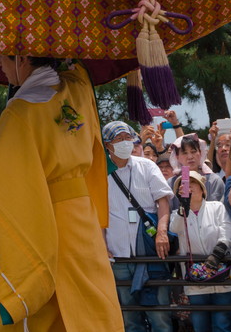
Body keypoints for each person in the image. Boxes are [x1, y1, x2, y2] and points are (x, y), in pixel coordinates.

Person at [0, 56, 123, 332]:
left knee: (38, 303)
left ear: (22, 57)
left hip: (47, 215)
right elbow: (79, 72)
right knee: (89, 299)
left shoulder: (20, 111)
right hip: (81, 217)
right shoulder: (77, 88)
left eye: (4, 53)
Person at [102, 120, 173, 332]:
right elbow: (96, 214)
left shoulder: (147, 165)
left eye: (127, 138)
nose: (125, 143)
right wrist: (101, 245)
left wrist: (162, 233)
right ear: (107, 145)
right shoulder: (99, 171)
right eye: (118, 139)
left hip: (151, 251)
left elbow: (163, 201)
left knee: (160, 316)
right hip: (118, 254)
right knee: (129, 318)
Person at [168, 170, 231, 332]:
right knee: (200, 325)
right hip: (195, 279)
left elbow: (228, 230)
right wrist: (183, 207)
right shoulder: (178, 214)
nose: (189, 188)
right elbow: (173, 228)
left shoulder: (217, 207)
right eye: (184, 185)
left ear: (203, 188)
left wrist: (218, 253)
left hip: (221, 272)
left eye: (193, 183)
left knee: (222, 324)